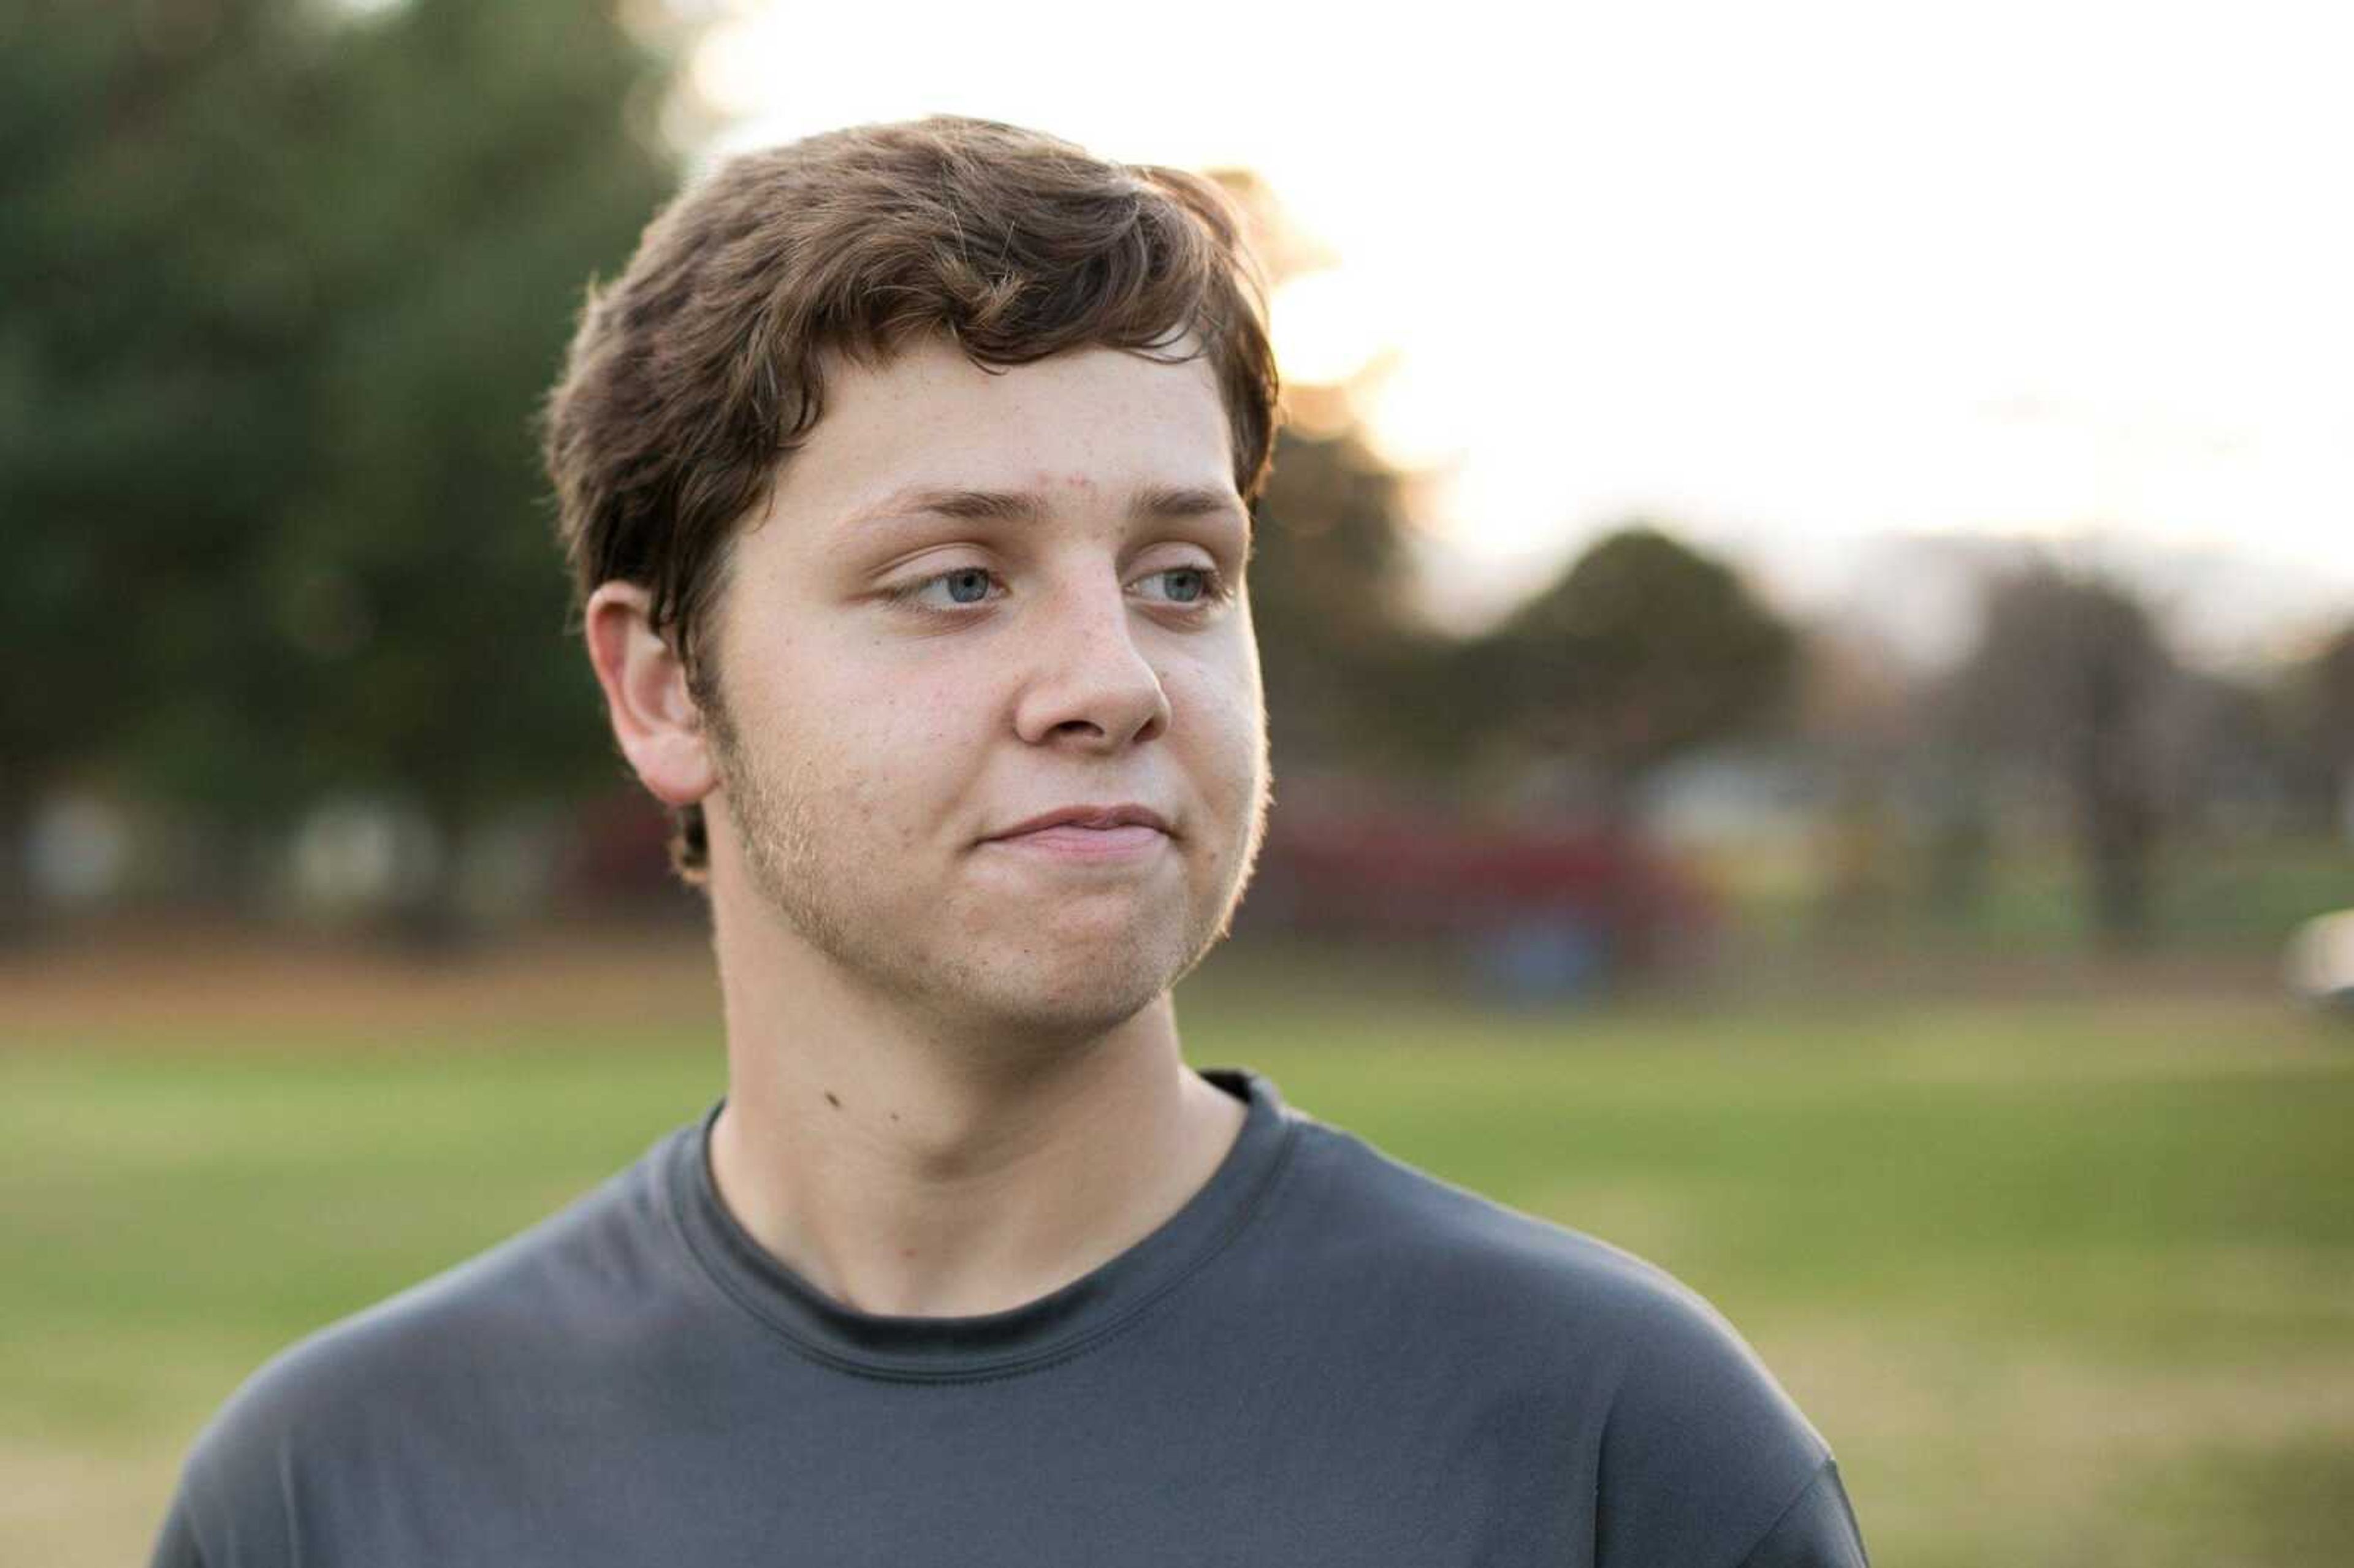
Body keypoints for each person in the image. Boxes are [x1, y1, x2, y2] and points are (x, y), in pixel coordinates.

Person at [149, 116, 1868, 1567]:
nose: (1115, 683)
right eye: (958, 579)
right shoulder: (341, 1493)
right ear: (667, 689)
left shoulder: (1610, 1449)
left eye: (1181, 577)